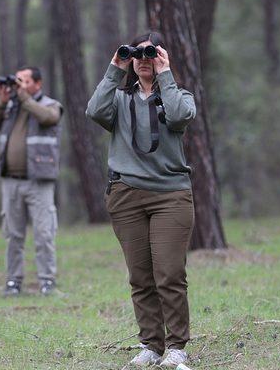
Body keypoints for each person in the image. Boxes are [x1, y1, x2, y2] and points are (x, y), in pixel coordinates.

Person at [86, 31, 196, 368]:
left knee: (169, 272)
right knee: (140, 275)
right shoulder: (119, 99)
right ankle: (151, 344)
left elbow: (179, 116)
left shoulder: (180, 95)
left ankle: (177, 346)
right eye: (138, 55)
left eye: (151, 53)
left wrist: (166, 75)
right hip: (126, 195)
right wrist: (115, 67)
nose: (144, 60)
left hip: (171, 196)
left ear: (162, 57)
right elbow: (94, 110)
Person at [0, 66, 63, 296]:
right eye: (17, 81)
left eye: (24, 81)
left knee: (44, 233)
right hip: (11, 181)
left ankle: (47, 282)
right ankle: (13, 282)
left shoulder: (49, 104)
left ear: (38, 83)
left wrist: (25, 98)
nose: (19, 85)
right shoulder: (10, 107)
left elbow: (49, 118)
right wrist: (2, 102)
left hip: (39, 180)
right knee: (13, 235)